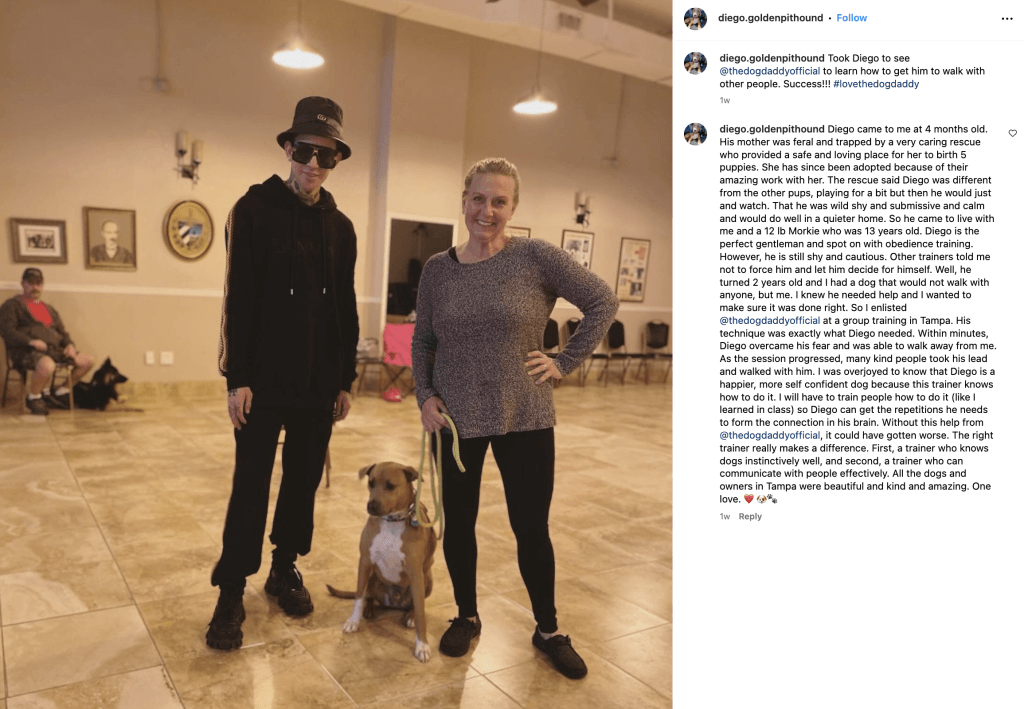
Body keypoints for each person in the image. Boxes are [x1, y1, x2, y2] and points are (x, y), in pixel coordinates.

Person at [412, 157, 618, 679]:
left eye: (499, 201)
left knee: (531, 526)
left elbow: (602, 301)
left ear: (512, 208)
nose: (487, 210)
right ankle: (466, 614)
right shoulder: (438, 269)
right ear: (464, 200)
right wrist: (424, 395)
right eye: (478, 199)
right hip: (456, 420)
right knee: (459, 524)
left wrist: (564, 360)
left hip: (526, 414)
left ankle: (547, 629)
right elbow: (423, 339)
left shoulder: (535, 257)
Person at [206, 96, 360, 650]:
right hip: (263, 380)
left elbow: (344, 304)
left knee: (301, 481)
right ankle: (231, 588)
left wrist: (345, 378)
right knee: (250, 483)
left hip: (319, 382)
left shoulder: (340, 227)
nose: (314, 164)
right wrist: (236, 377)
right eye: (305, 151)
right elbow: (236, 299)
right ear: (287, 148)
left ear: (336, 159)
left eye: (327, 155)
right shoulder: (251, 212)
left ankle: (283, 566)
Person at [0, 268, 94, 415]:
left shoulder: (49, 309)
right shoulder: (11, 306)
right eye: (30, 283)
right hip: (26, 351)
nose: (35, 287)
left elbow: (62, 332)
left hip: (53, 350)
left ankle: (60, 392)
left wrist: (70, 345)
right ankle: (34, 397)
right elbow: (8, 331)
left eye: (38, 283)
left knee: (87, 361)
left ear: (42, 286)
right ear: (23, 284)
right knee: (47, 365)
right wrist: (30, 341)